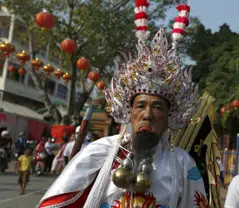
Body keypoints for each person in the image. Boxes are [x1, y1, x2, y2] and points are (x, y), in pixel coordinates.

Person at [37, 3, 207, 207]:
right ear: (129, 112)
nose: (147, 115)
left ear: (170, 117)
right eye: (140, 106)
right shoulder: (100, 152)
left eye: (158, 107)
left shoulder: (182, 164)